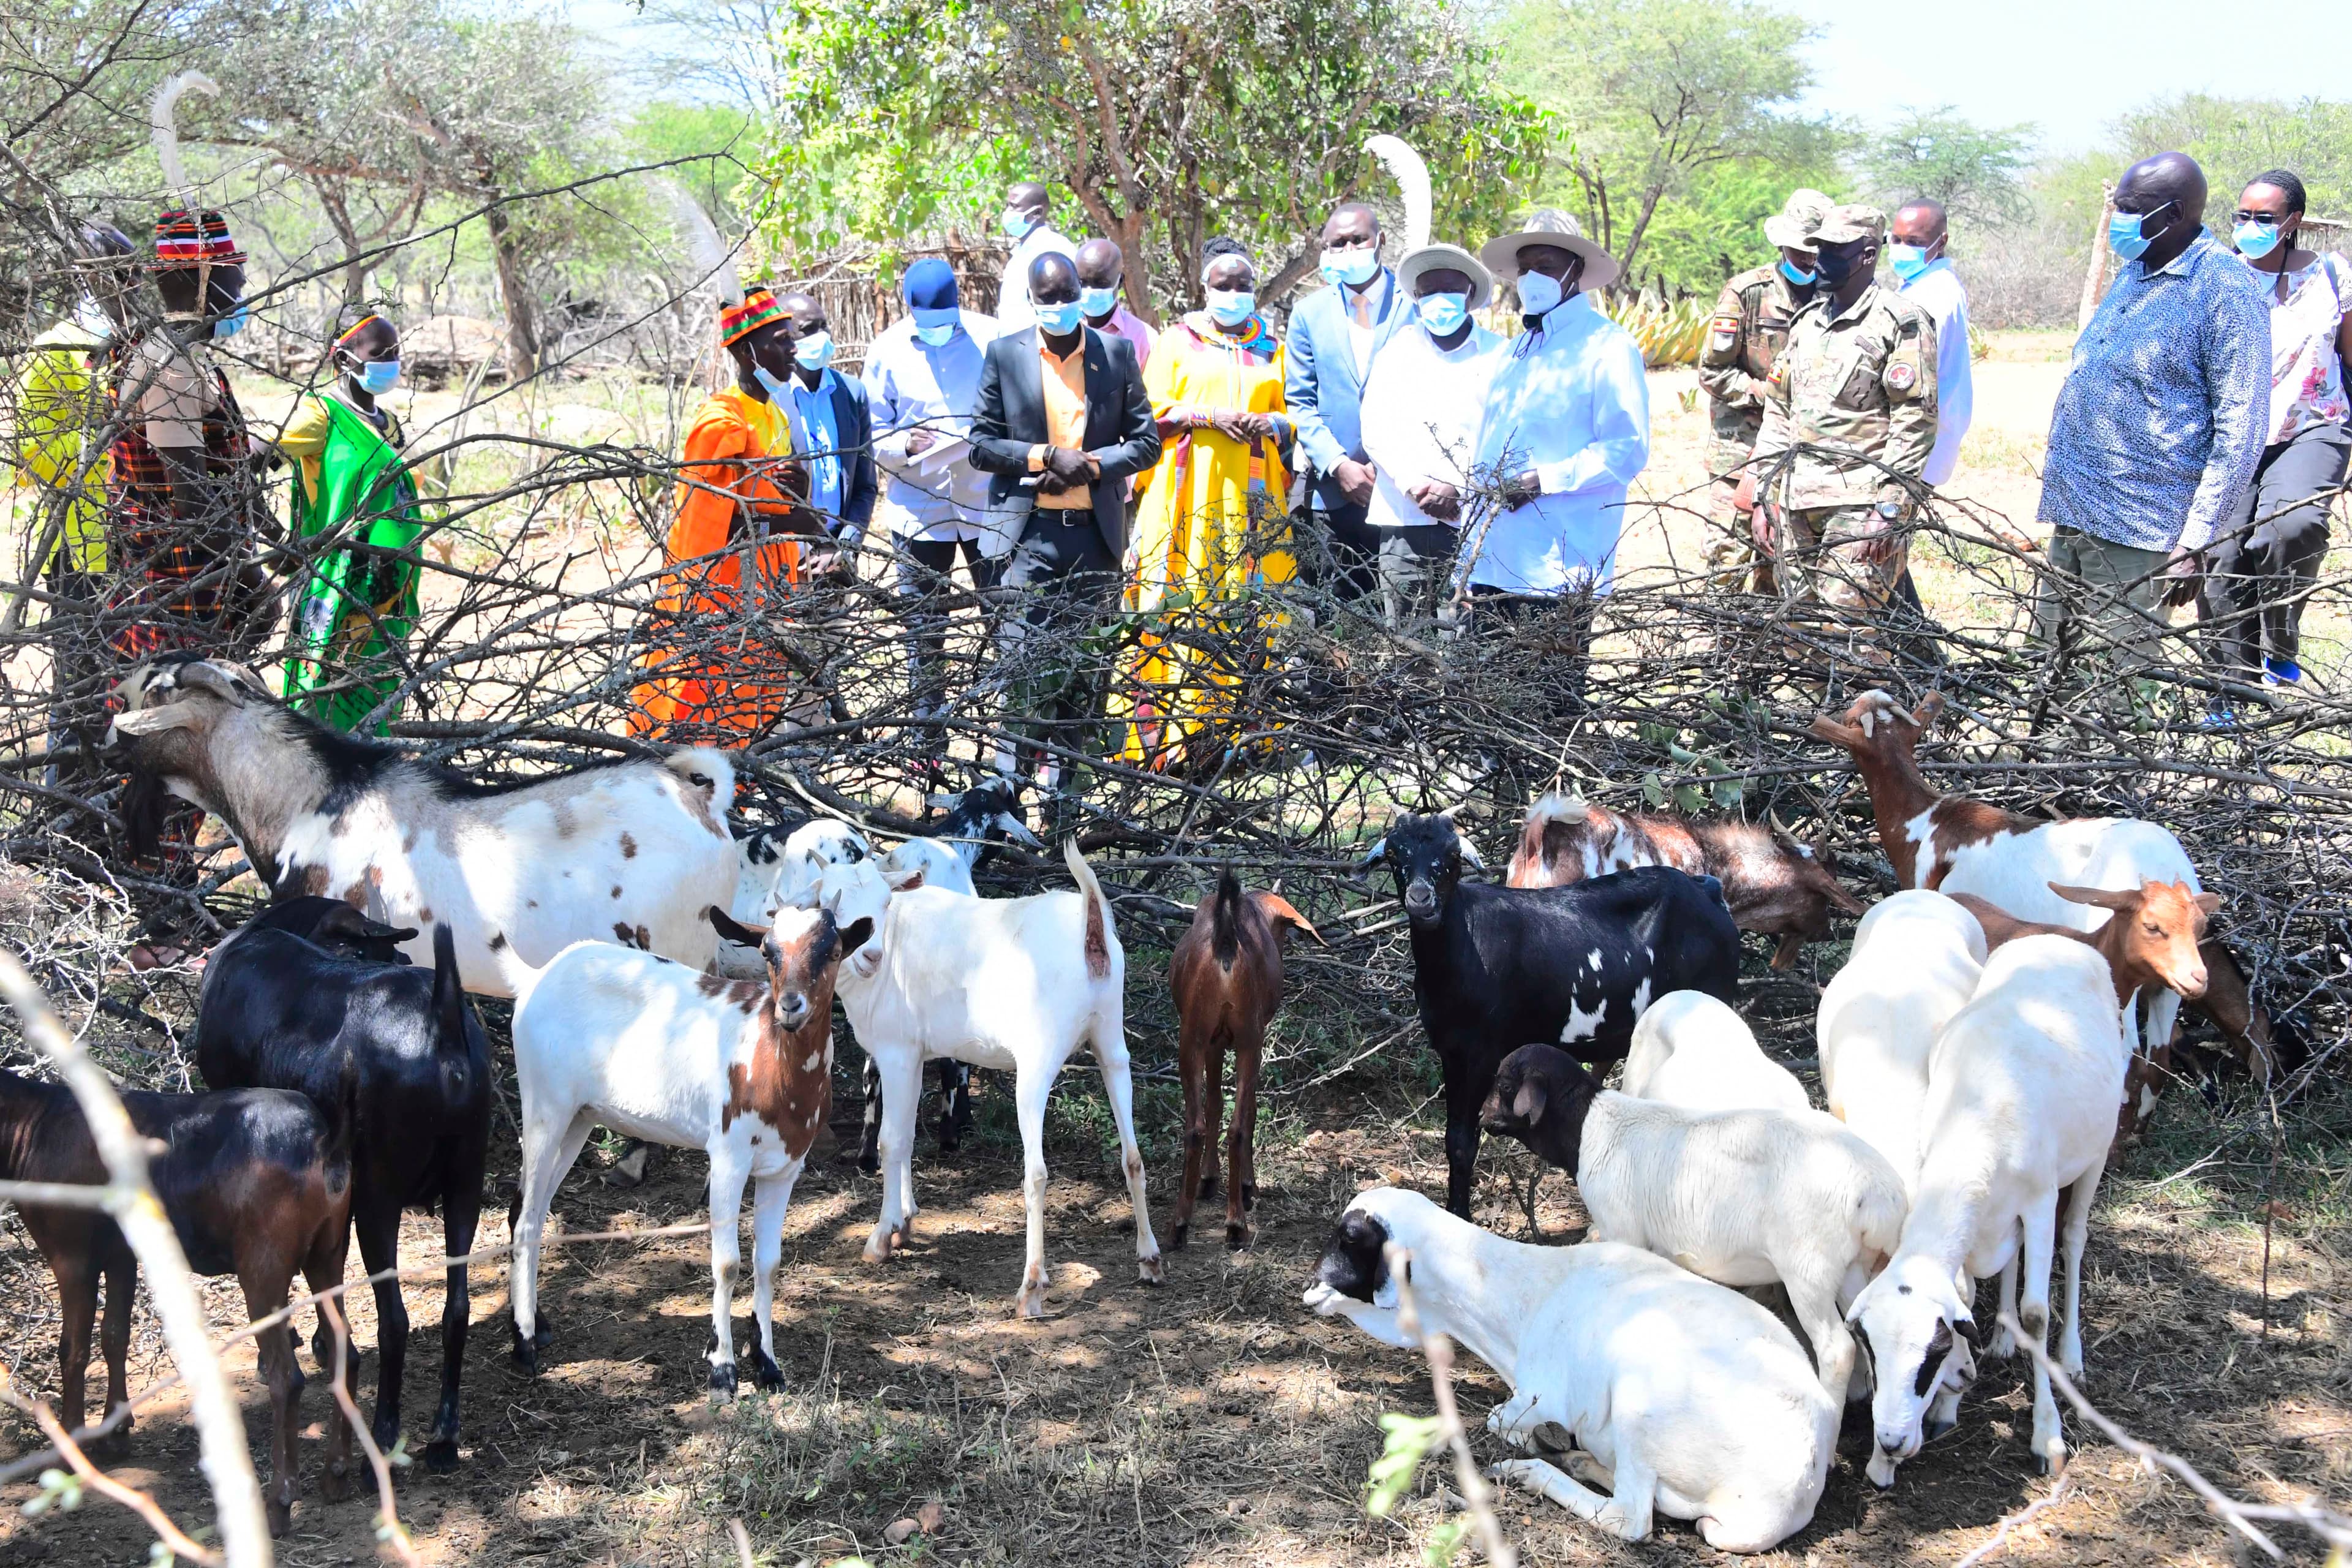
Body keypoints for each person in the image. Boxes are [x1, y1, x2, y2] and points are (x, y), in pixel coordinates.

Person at [2036, 151, 2268, 669]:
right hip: (2078, 513)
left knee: (2114, 687)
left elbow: (2241, 429)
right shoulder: (2136, 269)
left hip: (2141, 528)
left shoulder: (2224, 289)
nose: (2119, 217)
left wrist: (2194, 543)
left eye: (2130, 207)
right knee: (2051, 670)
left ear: (2174, 214)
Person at [968, 251, 1159, 814]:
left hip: (1094, 541)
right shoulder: (1005, 355)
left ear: (1082, 291)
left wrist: (1092, 465)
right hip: (1027, 539)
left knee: (1086, 676)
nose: (1058, 307)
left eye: (1066, 295)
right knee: (1024, 674)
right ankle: (1009, 806)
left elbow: (1146, 442)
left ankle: (1067, 809)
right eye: (1046, 299)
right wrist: (1042, 456)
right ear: (1031, 301)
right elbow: (980, 444)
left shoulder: (1116, 354)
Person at [1117, 239, 1295, 770]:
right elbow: (1148, 413)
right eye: (1224, 284)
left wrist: (1271, 425)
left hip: (1252, 500)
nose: (1234, 293)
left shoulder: (1272, 349)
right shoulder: (1178, 342)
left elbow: (1293, 418)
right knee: (1179, 601)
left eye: (1243, 285)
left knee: (1248, 607)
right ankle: (1170, 739)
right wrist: (1206, 417)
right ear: (1205, 287)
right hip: (1185, 497)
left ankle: (1247, 739)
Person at [628, 284, 822, 741]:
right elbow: (709, 517)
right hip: (722, 587)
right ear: (746, 351)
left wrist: (799, 499)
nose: (792, 348)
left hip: (768, 584)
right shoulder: (721, 421)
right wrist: (788, 522)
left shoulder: (774, 412)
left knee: (756, 694)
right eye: (779, 340)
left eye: (790, 337)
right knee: (706, 691)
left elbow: (779, 492)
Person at [1464, 210, 1649, 687]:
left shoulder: (1607, 348)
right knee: (1491, 699)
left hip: (1557, 566)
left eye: (1546, 265)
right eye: (1525, 268)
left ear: (1576, 271)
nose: (1533, 279)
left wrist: (1544, 480)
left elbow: (1626, 448)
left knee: (1546, 706)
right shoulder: (1516, 352)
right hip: (1496, 559)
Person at [1749, 205, 1939, 636]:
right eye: (1819, 249)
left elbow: (1915, 421)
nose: (1821, 260)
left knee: (1851, 636)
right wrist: (1765, 494)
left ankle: (1868, 706)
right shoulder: (1808, 324)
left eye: (1835, 251)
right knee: (1801, 635)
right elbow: (1779, 413)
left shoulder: (1900, 323)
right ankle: (1812, 709)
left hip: (1860, 508)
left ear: (1868, 255)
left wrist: (1889, 508)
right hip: (1796, 506)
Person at [2200, 168, 2351, 703]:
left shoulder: (2333, 275)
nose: (2250, 226)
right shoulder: (2218, 278)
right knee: (2221, 553)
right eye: (2242, 216)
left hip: (2315, 424)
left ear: (2293, 221)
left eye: (2264, 218)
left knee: (2291, 526)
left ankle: (2279, 646)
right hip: (2233, 435)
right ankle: (2229, 685)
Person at [862, 258, 1000, 773]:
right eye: (928, 318)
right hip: (918, 510)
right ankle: (928, 747)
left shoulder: (993, 340)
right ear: (910, 309)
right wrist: (906, 442)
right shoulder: (887, 351)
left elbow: (1017, 410)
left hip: (987, 504)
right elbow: (872, 435)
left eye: (946, 316)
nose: (937, 328)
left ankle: (1009, 737)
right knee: (924, 629)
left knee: (1003, 619)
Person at [272, 309, 428, 734]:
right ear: (343, 361)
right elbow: (247, 454)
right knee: (321, 701)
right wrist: (277, 542)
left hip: (388, 598)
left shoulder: (389, 422)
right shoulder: (320, 416)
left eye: (396, 352)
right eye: (381, 353)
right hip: (338, 589)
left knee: (376, 705)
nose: (391, 362)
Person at [1354, 242, 1506, 624]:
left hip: (1477, 523)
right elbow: (1376, 428)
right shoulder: (1396, 353)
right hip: (1406, 522)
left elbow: (1507, 433)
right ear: (1416, 298)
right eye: (1428, 291)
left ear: (1471, 293)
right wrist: (1415, 487)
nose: (1439, 299)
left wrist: (1459, 487)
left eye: (1450, 289)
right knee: (1405, 642)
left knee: (1470, 641)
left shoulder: (1501, 356)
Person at [1698, 188, 1831, 589]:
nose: (1807, 258)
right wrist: (1769, 395)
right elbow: (1713, 371)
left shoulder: (1835, 298)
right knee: (1728, 563)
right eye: (1799, 249)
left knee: (1787, 570)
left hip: (1805, 456)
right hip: (1741, 452)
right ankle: (1718, 650)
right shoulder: (1747, 293)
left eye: (1815, 250)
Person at [1284, 202, 1411, 601]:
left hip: (1401, 497)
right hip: (1330, 497)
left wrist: (1389, 469)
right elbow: (1300, 402)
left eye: (1358, 239)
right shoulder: (1308, 314)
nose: (1349, 249)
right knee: (1331, 623)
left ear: (1381, 241)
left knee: (1402, 625)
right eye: (1337, 244)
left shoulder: (1415, 307)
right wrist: (1340, 465)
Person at [775, 292, 875, 565]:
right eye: (809, 330)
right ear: (785, 337)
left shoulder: (852, 393)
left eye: (824, 326)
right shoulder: (772, 400)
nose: (822, 337)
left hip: (838, 555)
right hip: (785, 556)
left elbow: (865, 486)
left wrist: (846, 547)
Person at [1890, 198, 1974, 489]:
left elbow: (1911, 377)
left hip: (1919, 444)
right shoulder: (1919, 285)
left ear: (1941, 242)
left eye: (1914, 241)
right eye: (1896, 239)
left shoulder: (1936, 295)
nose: (1902, 248)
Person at [992, 181, 1077, 335]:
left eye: (1015, 207)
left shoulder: (1056, 249)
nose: (1007, 212)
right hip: (1014, 349)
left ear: (1037, 213)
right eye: (1007, 206)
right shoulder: (1019, 253)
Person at [1075, 238, 1155, 367]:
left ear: (1121, 282)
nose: (1090, 291)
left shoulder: (1144, 338)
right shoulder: (1062, 329)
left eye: (1101, 283)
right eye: (1082, 283)